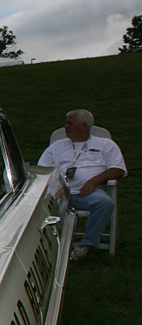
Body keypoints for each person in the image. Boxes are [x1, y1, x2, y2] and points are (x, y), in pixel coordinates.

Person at [38, 109, 126, 261]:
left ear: (84, 126)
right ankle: (56, 248)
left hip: (89, 193)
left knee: (104, 203)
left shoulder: (105, 144)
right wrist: (58, 187)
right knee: (48, 208)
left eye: (70, 123)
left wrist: (94, 181)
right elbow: (42, 170)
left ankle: (85, 245)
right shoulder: (57, 146)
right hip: (61, 193)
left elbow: (118, 169)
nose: (66, 127)